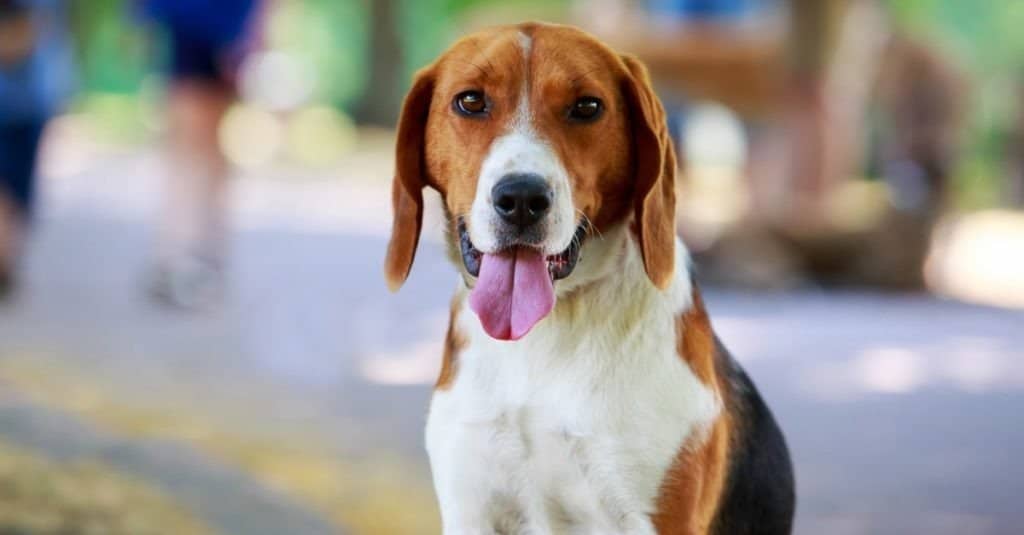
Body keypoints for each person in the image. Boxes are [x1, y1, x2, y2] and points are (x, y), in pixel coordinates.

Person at [139, 0, 262, 309]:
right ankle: (188, 249)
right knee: (193, 137)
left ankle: (191, 249)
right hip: (194, 20)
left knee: (197, 137)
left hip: (216, 22)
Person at [0, 0, 73, 300]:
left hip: (30, 99)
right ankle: (6, 253)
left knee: (18, 187)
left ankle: (8, 252)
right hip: (28, 98)